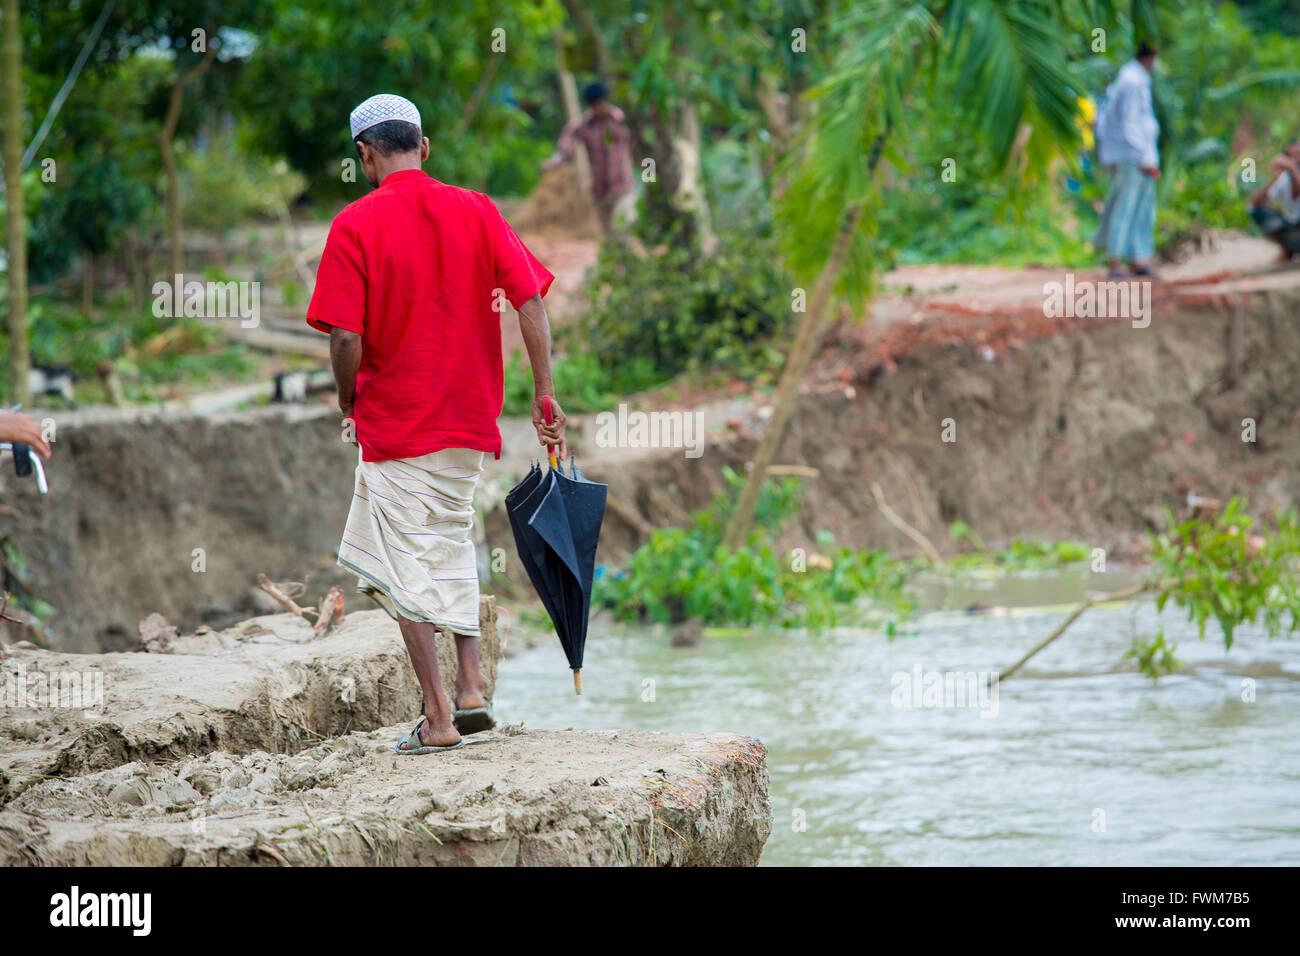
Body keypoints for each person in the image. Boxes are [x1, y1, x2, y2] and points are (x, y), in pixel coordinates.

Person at [306, 94, 566, 754]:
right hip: (470, 415)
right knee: (451, 541)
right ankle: (473, 686)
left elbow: (344, 335)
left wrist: (347, 402)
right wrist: (545, 395)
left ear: (363, 155)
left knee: (402, 569)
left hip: (396, 421)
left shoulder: (354, 224)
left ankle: (440, 716)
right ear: (425, 147)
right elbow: (529, 297)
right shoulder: (477, 209)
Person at [1094, 42, 1161, 278]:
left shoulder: (1132, 77)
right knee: (1126, 207)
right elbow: (1130, 123)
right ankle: (1116, 263)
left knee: (1140, 208)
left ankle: (1136, 259)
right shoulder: (1132, 81)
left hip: (1133, 156)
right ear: (1152, 56)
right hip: (1133, 157)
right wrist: (1144, 156)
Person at [541, 81, 636, 236]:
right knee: (608, 236)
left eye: (601, 103)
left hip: (623, 187)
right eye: (594, 105)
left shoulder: (622, 120)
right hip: (600, 191)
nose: (599, 108)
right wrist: (552, 163)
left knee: (623, 229)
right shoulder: (583, 126)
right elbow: (565, 149)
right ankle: (616, 259)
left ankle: (627, 259)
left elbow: (641, 146)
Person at [1248, 140, 1300, 259]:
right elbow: (1254, 203)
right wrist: (1274, 178)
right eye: (1293, 155)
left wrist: (1292, 168)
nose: (1297, 158)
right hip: (1295, 228)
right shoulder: (1284, 179)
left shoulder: (1292, 171)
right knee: (1256, 211)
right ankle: (1287, 250)